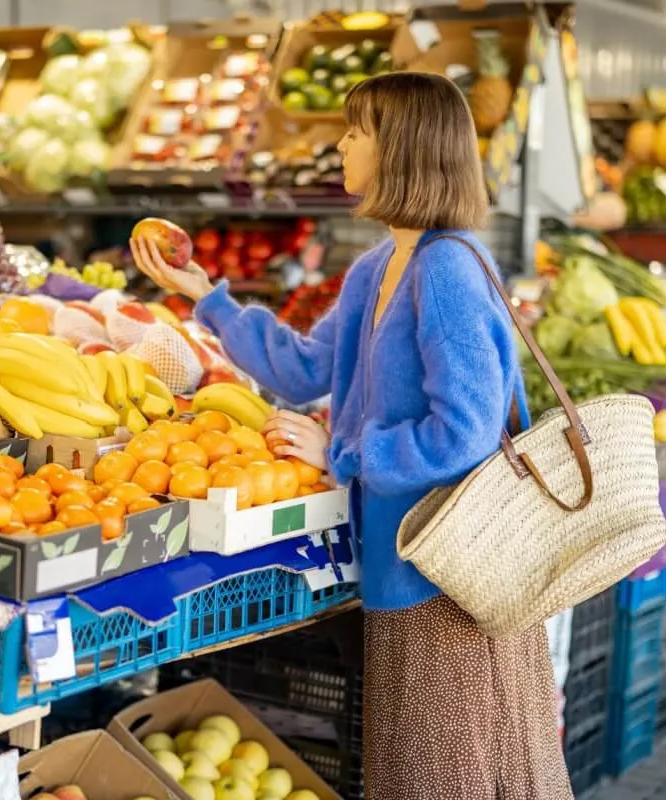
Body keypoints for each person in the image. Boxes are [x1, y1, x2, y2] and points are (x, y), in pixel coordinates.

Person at [131, 71, 573, 799]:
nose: (341, 144)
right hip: (399, 564)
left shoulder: (449, 271)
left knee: (447, 774)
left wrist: (343, 455)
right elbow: (304, 369)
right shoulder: (377, 268)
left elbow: (462, 433)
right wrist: (205, 298)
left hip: (450, 575)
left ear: (402, 148)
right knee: (410, 771)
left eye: (357, 131)